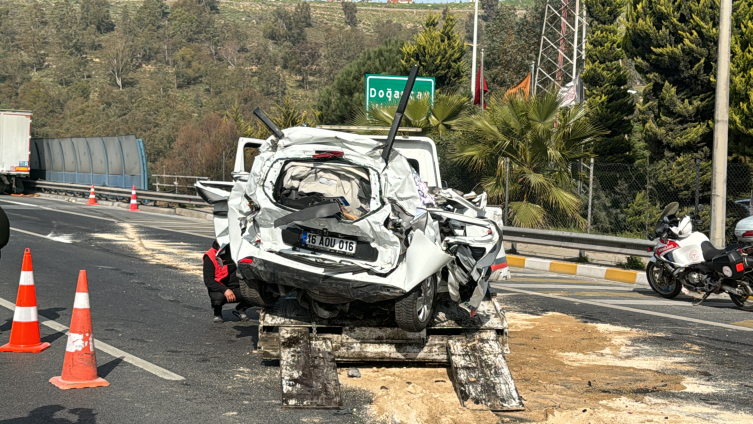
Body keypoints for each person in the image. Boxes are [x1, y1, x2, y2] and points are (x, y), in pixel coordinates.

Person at [203, 241, 249, 323]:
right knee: (217, 298)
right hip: (221, 288)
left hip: (238, 286)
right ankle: (217, 313)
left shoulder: (240, 251)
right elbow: (209, 281)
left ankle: (241, 309)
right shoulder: (210, 256)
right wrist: (225, 290)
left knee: (258, 294)